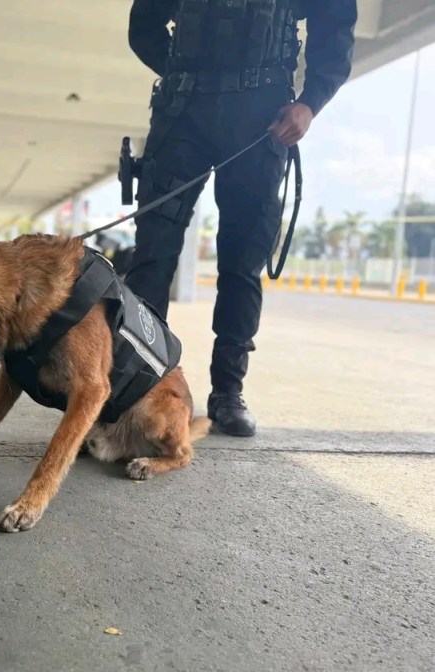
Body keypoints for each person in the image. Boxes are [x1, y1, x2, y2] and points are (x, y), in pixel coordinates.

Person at [126, 0, 357, 437]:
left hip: (260, 116)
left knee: (242, 259)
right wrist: (182, 72)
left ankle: (227, 393)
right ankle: (140, 385)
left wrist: (310, 102)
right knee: (152, 254)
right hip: (182, 114)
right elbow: (144, 25)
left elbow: (335, 25)